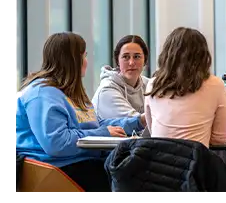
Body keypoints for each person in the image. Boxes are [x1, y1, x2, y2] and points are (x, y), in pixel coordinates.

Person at [16, 32, 145, 195]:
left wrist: (138, 121)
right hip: (54, 167)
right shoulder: (42, 94)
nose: (86, 62)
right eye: (83, 56)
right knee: (130, 176)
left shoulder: (70, 92)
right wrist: (104, 133)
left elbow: (96, 124)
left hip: (76, 161)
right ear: (71, 60)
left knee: (136, 166)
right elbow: (57, 144)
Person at [144, 27, 226, 148]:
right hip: (196, 163)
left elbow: (153, 132)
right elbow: (219, 138)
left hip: (159, 162)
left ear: (167, 55)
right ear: (203, 56)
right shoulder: (216, 84)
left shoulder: (153, 85)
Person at [92, 35, 151, 119]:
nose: (131, 62)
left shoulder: (149, 85)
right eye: (126, 57)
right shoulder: (106, 90)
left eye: (137, 57)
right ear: (118, 61)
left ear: (145, 60)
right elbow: (136, 122)